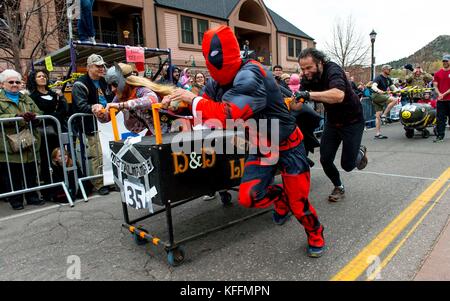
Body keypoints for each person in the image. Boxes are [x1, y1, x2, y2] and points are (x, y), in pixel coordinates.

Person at [164, 26, 325, 258]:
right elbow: (202, 108)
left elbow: (230, 113)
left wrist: (192, 101)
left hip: (289, 145)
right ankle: (280, 198)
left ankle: (315, 233)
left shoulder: (252, 73)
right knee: (249, 196)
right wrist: (175, 102)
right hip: (262, 147)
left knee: (300, 205)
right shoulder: (216, 83)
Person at [295, 48, 368, 203]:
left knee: (348, 165)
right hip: (333, 122)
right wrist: (287, 102)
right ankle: (339, 187)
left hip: (352, 121)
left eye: (309, 67)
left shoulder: (332, 70)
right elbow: (297, 104)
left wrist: (308, 95)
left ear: (320, 63)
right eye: (302, 68)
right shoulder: (306, 79)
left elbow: (338, 95)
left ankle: (359, 151)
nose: (306, 72)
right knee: (325, 159)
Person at [0, 69, 45, 210]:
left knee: (30, 170)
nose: (14, 84)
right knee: (13, 173)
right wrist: (18, 116)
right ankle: (16, 200)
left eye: (17, 82)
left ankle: (32, 197)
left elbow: (39, 112)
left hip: (28, 141)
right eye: (11, 82)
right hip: (8, 144)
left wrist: (34, 116)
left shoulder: (26, 97)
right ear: (2, 84)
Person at [94, 63, 175, 136]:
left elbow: (152, 99)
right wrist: (99, 113)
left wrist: (122, 105)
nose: (112, 89)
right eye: (110, 85)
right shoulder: (120, 96)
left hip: (175, 129)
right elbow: (107, 117)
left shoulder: (140, 90)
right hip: (159, 134)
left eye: (115, 84)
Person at [72, 54, 113, 196]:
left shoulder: (105, 81)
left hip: (107, 124)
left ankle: (110, 180)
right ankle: (99, 183)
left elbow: (111, 98)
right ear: (89, 67)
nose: (102, 68)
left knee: (109, 153)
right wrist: (92, 107)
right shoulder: (79, 84)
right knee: (97, 155)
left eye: (102, 65)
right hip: (91, 126)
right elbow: (80, 105)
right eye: (98, 66)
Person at [28, 69, 70, 201]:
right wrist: (53, 116)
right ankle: (49, 191)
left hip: (56, 131)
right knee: (46, 161)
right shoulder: (32, 97)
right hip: (43, 134)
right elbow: (39, 114)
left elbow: (64, 110)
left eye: (44, 76)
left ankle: (65, 186)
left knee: (61, 158)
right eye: (39, 76)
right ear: (34, 80)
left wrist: (61, 97)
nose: (42, 78)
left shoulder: (54, 94)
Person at [371, 65, 399, 139]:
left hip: (380, 96)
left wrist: (399, 91)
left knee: (378, 116)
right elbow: (373, 86)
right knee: (394, 100)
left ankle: (377, 134)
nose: (390, 70)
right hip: (376, 95)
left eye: (390, 69)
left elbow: (394, 88)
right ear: (384, 70)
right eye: (389, 69)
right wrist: (378, 90)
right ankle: (384, 115)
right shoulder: (378, 77)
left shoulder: (388, 79)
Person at [432, 55, 450, 143]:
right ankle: (440, 136)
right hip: (441, 100)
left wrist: (444, 94)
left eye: (446, 61)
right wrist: (439, 94)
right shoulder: (437, 73)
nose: (445, 63)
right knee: (440, 119)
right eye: (444, 61)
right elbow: (435, 85)